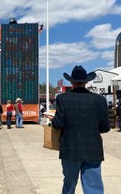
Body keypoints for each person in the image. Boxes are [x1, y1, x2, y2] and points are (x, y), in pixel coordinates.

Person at [47, 65, 110, 194]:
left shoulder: (63, 99)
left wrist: (53, 119)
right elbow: (105, 127)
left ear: (71, 82)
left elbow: (59, 124)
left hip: (70, 149)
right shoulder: (100, 100)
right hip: (93, 149)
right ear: (87, 82)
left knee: (69, 185)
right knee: (93, 187)